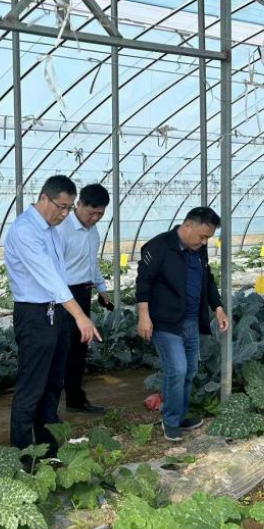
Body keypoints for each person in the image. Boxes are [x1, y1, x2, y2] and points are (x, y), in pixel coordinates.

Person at [4, 175, 102, 456]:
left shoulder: (51, 230)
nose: (64, 214)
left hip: (54, 312)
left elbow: (60, 276)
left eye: (69, 208)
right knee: (31, 386)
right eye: (61, 207)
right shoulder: (25, 230)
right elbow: (50, 278)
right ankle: (23, 454)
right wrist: (80, 315)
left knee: (52, 384)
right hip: (34, 314)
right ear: (44, 198)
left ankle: (48, 449)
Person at [135, 206, 229, 443]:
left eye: (208, 238)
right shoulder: (159, 247)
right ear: (187, 226)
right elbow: (143, 282)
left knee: (190, 371)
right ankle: (170, 421)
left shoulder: (198, 250)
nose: (204, 242)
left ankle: (178, 415)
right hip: (165, 321)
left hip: (190, 320)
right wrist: (143, 316)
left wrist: (217, 307)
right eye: (202, 236)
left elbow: (207, 279)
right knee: (177, 369)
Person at [56, 183, 114, 414]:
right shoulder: (62, 229)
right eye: (92, 213)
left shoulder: (93, 232)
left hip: (83, 292)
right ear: (78, 204)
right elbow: (52, 269)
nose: (95, 218)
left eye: (100, 214)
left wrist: (101, 289)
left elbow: (92, 263)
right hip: (63, 295)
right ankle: (53, 403)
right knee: (62, 348)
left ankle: (75, 399)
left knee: (79, 348)